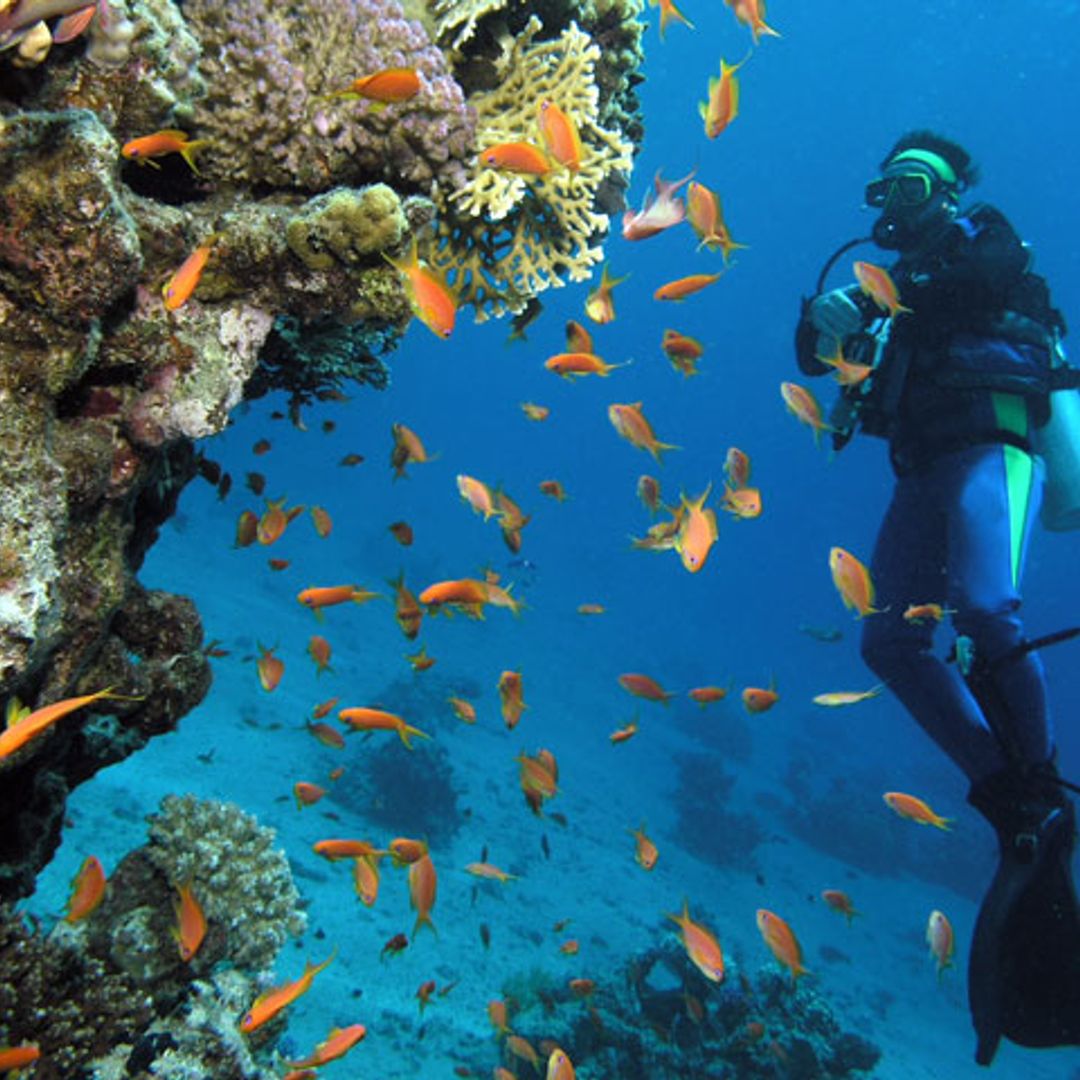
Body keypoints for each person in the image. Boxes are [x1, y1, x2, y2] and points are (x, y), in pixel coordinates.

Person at [794, 130, 1079, 1065]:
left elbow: (983, 282)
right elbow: (811, 359)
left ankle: (1040, 784)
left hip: (994, 448)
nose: (900, 200)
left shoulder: (987, 243)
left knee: (989, 610)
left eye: (917, 183)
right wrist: (825, 318)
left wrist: (887, 295)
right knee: (887, 643)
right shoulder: (882, 286)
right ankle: (1005, 795)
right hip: (921, 471)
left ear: (952, 192)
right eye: (889, 184)